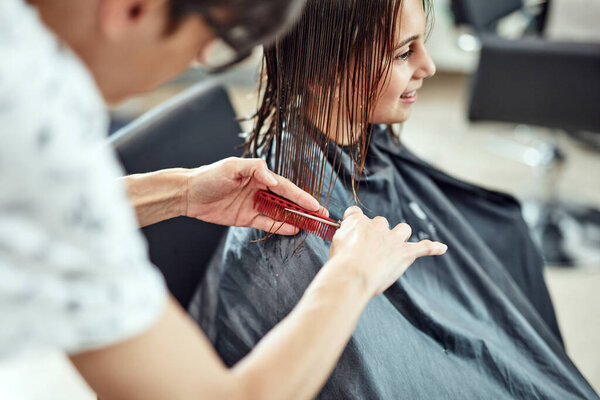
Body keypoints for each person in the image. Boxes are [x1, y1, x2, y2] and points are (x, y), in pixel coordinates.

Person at [0, 0, 449, 399]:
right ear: (131, 8)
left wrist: (183, 191)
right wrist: (351, 276)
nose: (197, 58)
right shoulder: (35, 140)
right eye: (210, 43)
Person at [189, 0, 600, 398]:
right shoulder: (285, 249)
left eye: (423, 44)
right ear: (325, 69)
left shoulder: (365, 146)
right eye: (405, 52)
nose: (429, 66)